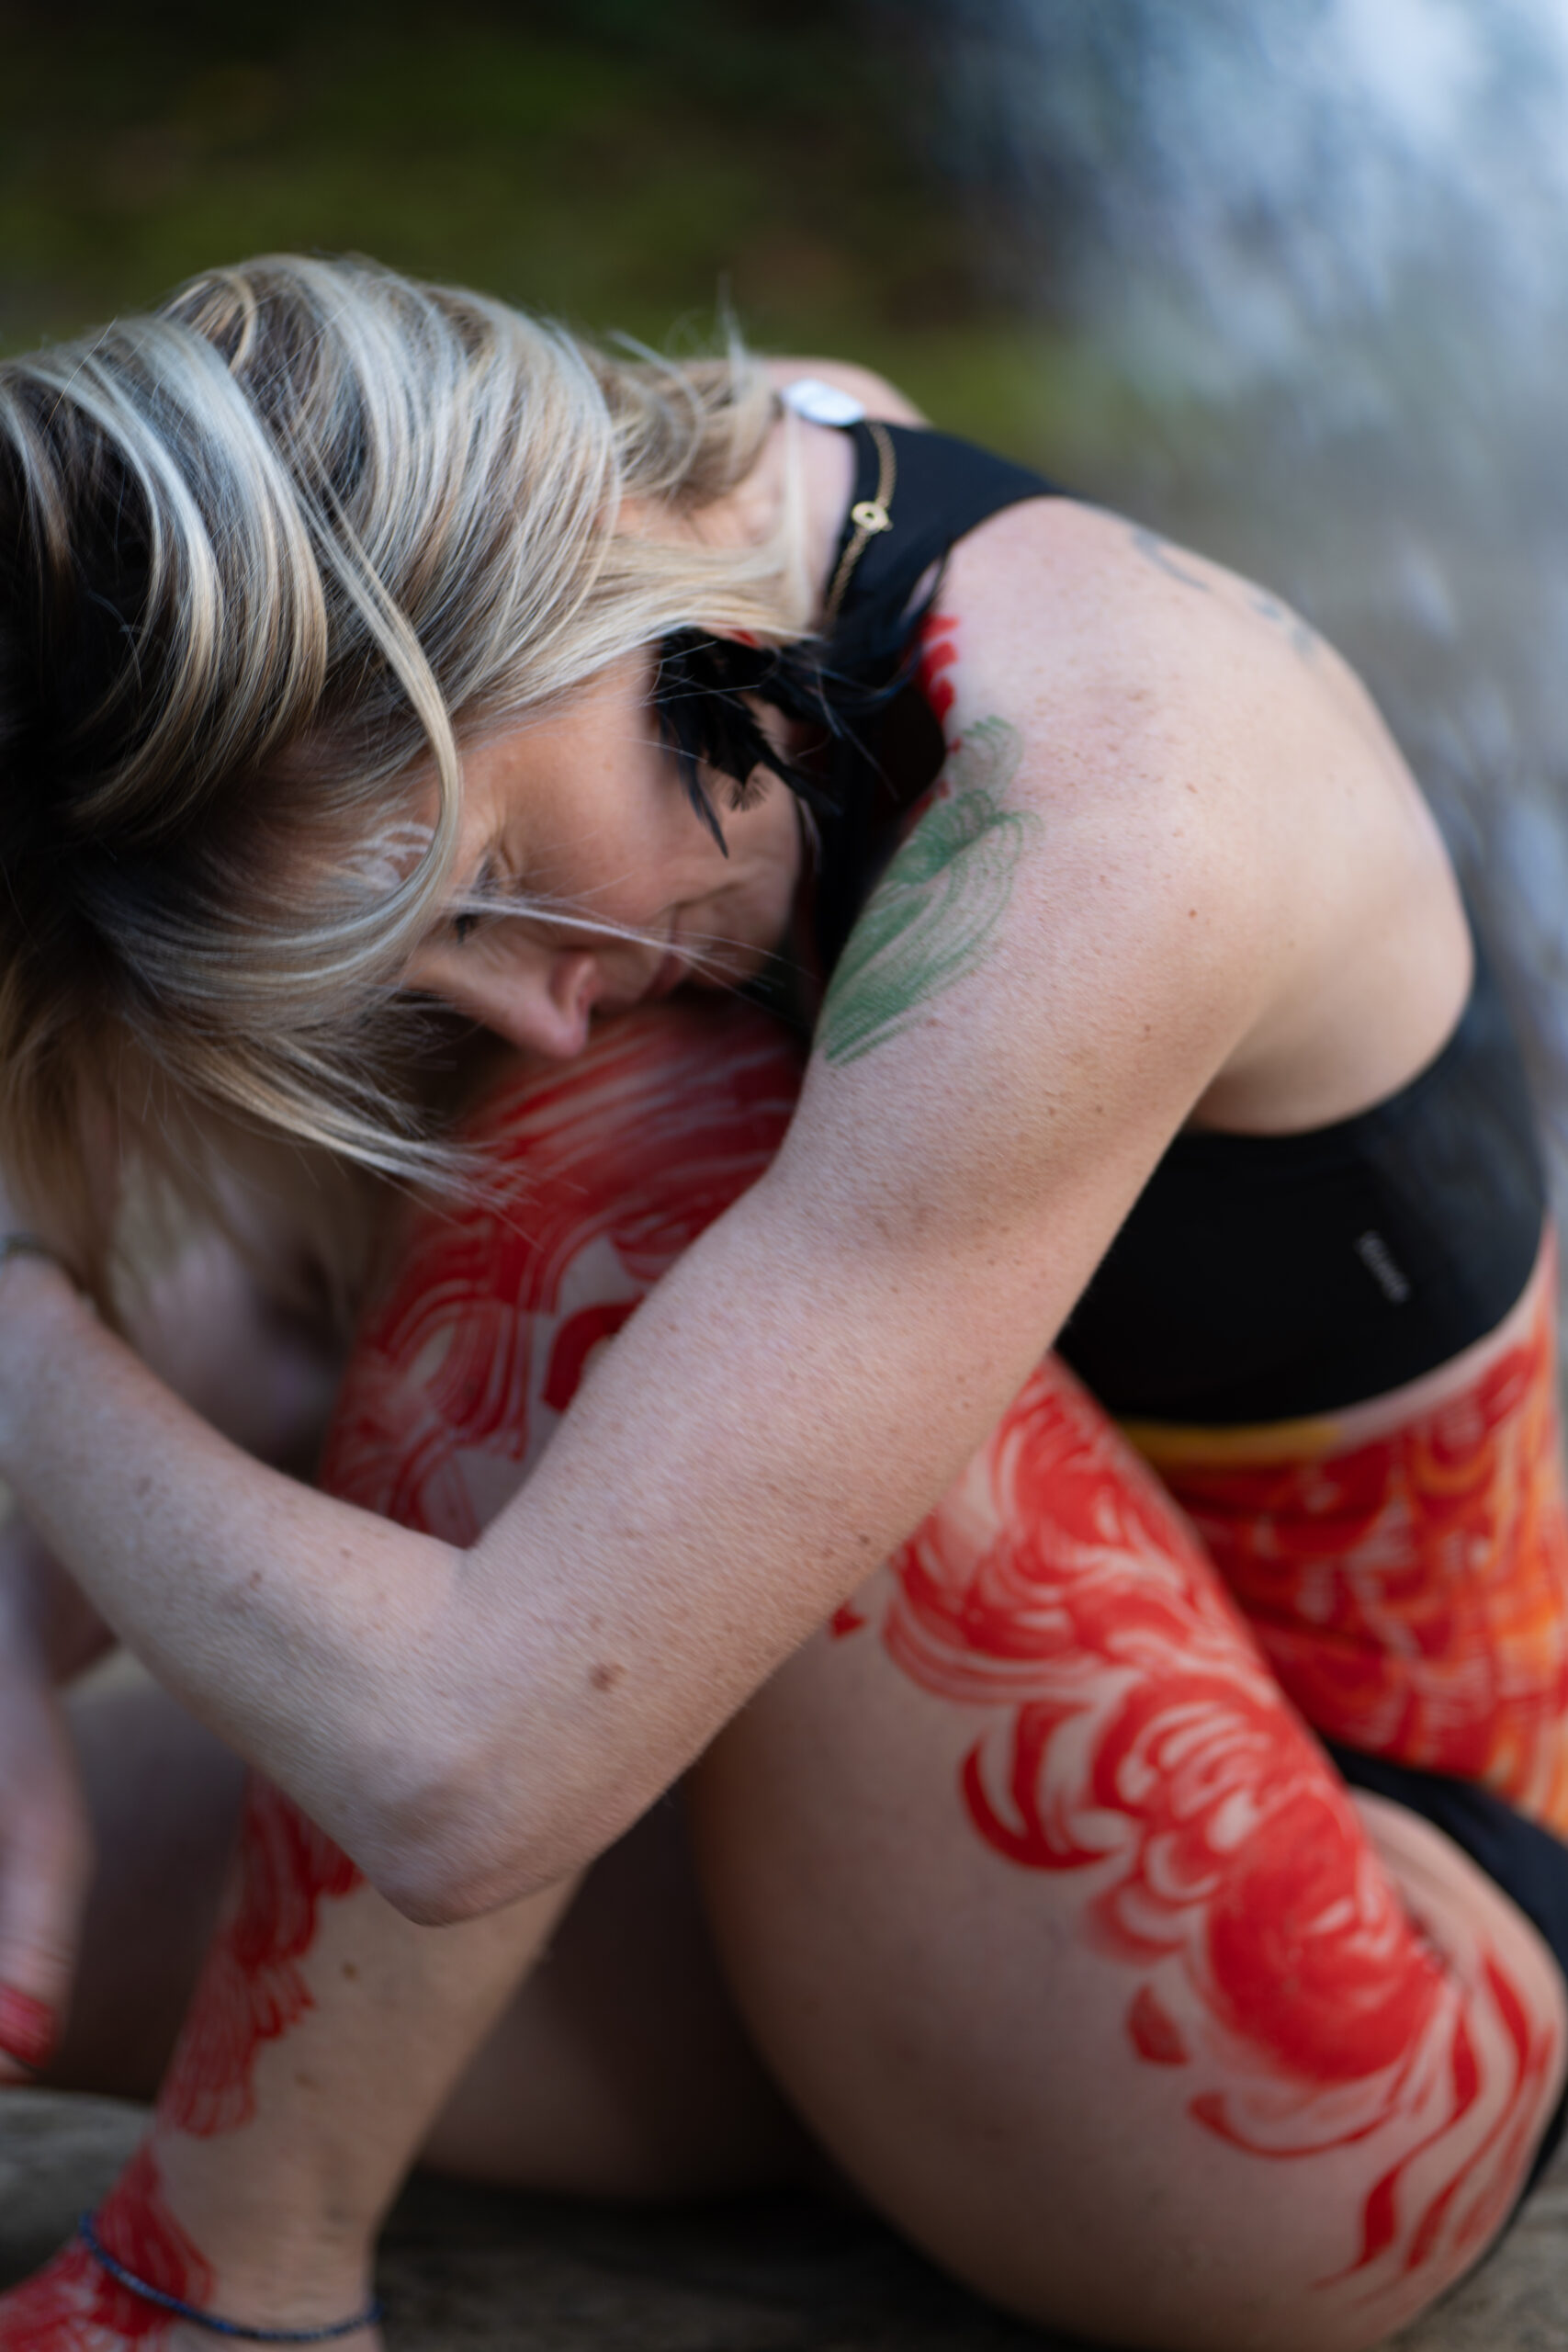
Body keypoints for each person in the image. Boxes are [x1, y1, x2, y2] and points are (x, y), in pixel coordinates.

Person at [0, 254, 1564, 2352]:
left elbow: (466, 1768)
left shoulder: (1106, 790)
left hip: (1325, 2031)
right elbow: (288, 1314)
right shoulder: (718, 543)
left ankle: (228, 2286)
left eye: (484, 888)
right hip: (838, 1891)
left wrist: (15, 1337)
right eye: (421, 956)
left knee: (636, 1148)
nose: (531, 1006)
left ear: (560, 577)